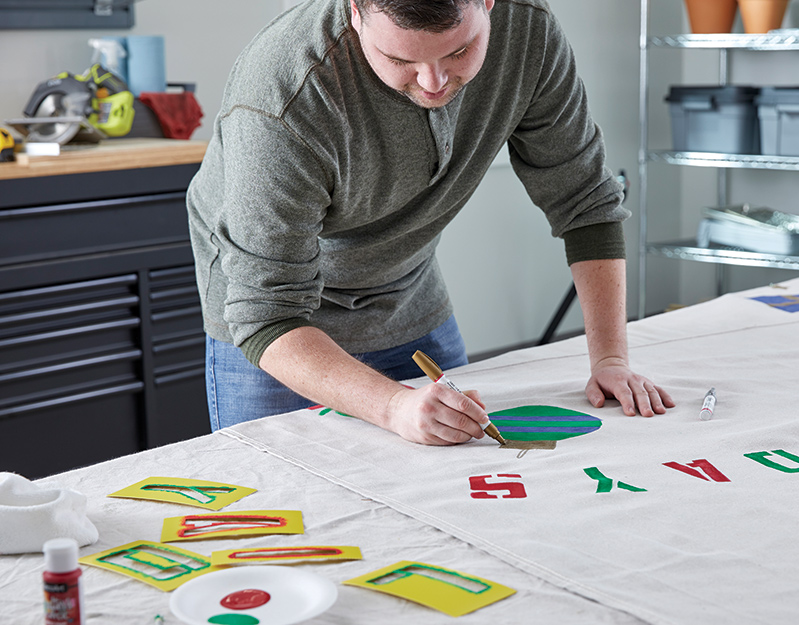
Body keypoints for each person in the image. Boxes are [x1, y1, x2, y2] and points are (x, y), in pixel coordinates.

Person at [187, 0, 675, 444]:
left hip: (409, 294)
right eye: (400, 61)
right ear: (356, 11)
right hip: (279, 332)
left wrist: (610, 359)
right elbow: (266, 313)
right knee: (289, 508)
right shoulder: (282, 97)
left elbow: (585, 200)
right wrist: (394, 406)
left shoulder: (527, 29)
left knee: (459, 476)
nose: (434, 83)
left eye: (460, 51)